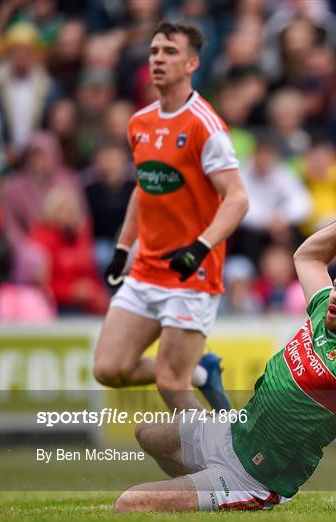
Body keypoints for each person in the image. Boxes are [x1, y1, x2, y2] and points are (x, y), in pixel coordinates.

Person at [114, 182, 336, 513]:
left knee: (130, 504)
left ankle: (220, 494)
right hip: (232, 431)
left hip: (253, 477)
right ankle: (210, 459)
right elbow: (307, 255)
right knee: (146, 433)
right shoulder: (325, 310)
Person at [94, 22, 249, 412]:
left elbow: (237, 198)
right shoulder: (140, 123)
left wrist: (200, 247)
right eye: (154, 51)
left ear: (192, 63)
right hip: (147, 269)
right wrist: (122, 247)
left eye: (170, 52)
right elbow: (145, 188)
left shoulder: (205, 125)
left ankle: (221, 464)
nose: (158, 59)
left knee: (169, 383)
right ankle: (201, 371)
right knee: (109, 369)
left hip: (190, 273)